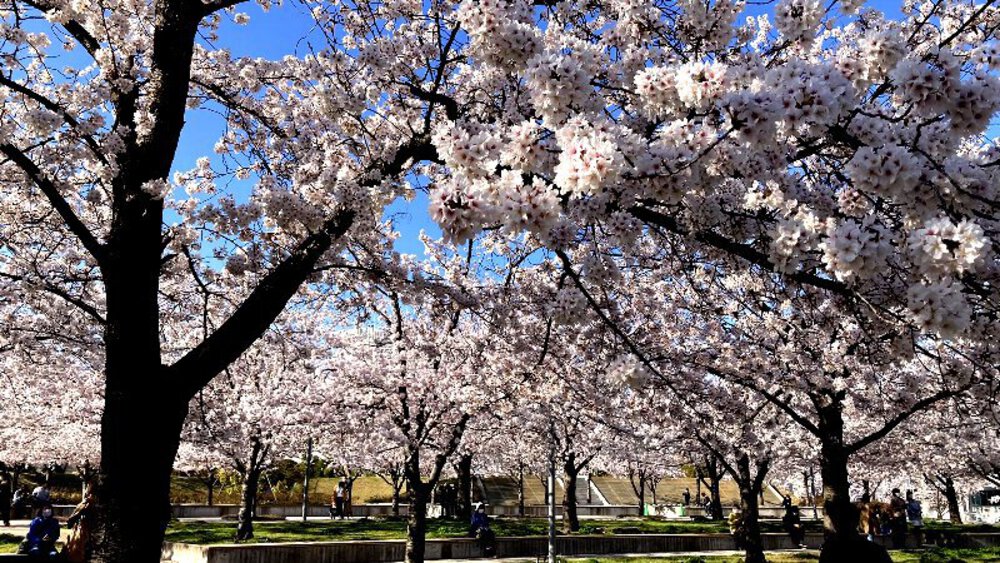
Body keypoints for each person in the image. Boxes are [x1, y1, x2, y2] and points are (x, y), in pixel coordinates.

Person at [65, 490, 94, 563]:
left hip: (86, 528)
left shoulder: (89, 504)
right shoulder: (83, 504)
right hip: (80, 528)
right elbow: (75, 515)